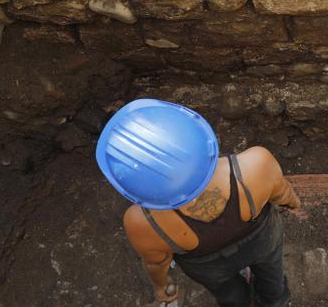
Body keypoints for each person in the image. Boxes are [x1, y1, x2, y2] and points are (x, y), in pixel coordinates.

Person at [96, 99, 300, 307]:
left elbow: (157, 263)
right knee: (271, 275)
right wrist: (293, 203)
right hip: (262, 241)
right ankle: (276, 302)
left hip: (208, 266)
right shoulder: (255, 165)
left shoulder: (141, 223)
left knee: (228, 293)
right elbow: (284, 194)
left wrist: (161, 286)